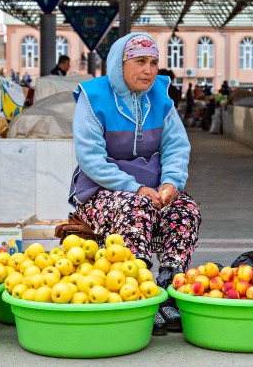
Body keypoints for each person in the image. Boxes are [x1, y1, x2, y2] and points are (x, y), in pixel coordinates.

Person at [69, 33, 201, 335]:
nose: (149, 70)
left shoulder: (160, 98)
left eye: (154, 62)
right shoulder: (94, 97)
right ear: (119, 63)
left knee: (185, 207)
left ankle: (169, 288)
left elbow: (176, 147)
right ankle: (138, 290)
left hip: (152, 192)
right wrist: (135, 188)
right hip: (101, 195)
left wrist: (170, 183)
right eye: (140, 61)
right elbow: (90, 158)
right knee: (137, 206)